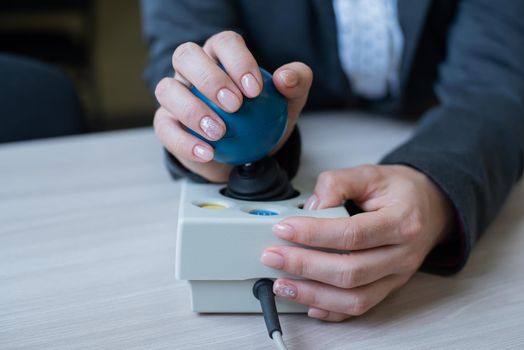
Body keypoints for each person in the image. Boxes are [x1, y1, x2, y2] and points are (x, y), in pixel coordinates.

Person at [140, 0, 524, 322]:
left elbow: (497, 81)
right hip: (282, 140)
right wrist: (193, 122)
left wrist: (433, 183)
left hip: (433, 130)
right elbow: (182, 49)